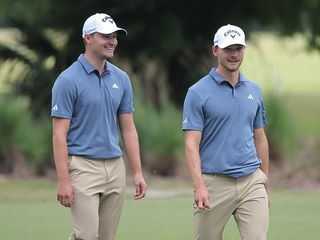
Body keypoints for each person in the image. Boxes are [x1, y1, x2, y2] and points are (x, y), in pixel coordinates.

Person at [51, 13, 147, 240]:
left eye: (114, 36)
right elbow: (58, 134)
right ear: (88, 38)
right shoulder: (68, 80)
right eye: (105, 36)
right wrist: (63, 180)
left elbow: (128, 129)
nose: (112, 40)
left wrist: (138, 171)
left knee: (107, 237)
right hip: (82, 167)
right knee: (86, 236)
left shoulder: (121, 79)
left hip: (115, 167)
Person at [182, 24, 270, 240]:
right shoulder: (197, 92)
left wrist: (264, 181)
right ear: (215, 50)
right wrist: (199, 185)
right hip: (214, 184)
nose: (234, 54)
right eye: (228, 49)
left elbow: (260, 138)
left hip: (251, 182)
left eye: (239, 49)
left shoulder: (253, 90)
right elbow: (191, 144)